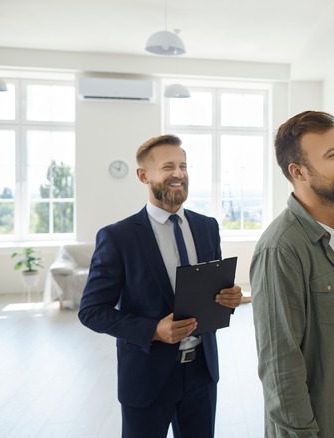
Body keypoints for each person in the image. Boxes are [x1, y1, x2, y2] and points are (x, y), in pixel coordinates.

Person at [78, 134, 243, 438]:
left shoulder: (208, 227)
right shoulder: (118, 237)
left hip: (202, 374)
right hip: (146, 377)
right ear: (143, 175)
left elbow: (211, 293)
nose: (179, 174)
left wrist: (229, 297)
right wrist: (153, 330)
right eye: (168, 167)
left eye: (183, 165)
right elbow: (91, 311)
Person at [250, 111, 334, 437]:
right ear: (298, 171)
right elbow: (280, 367)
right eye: (333, 155)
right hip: (318, 427)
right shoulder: (280, 249)